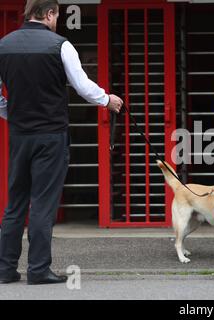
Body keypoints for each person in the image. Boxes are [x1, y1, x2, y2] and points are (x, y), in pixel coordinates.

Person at [0, 0, 122, 285]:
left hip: (19, 135)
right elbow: (81, 85)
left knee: (15, 203)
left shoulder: (3, 44)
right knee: (42, 203)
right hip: (51, 136)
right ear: (49, 13)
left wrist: (12, 115)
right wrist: (107, 99)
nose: (58, 21)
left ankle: (5, 269)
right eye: (57, 15)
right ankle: (38, 269)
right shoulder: (60, 45)